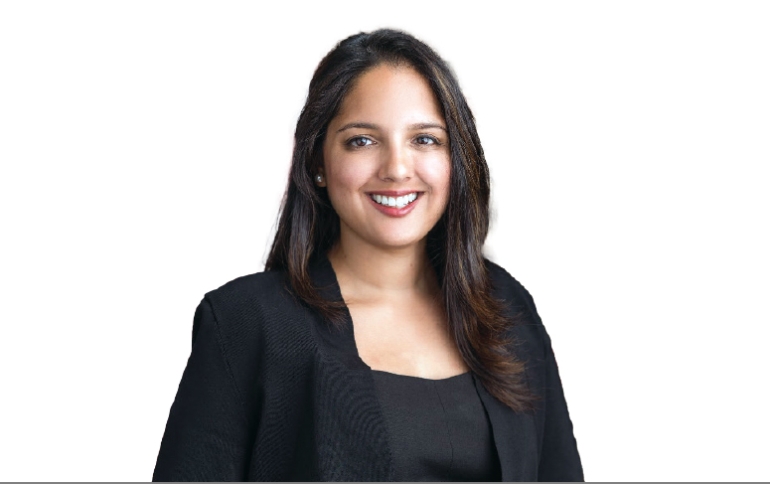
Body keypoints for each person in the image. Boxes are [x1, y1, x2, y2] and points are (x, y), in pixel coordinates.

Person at [152, 28, 583, 482]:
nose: (396, 169)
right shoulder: (247, 323)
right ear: (317, 162)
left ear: (457, 159)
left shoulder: (507, 307)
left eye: (425, 139)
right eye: (362, 140)